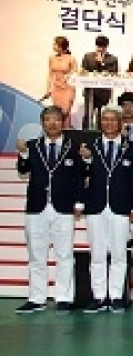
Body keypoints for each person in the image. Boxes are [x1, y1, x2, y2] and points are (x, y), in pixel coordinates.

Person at [15, 106, 84, 313]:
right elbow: (23, 170)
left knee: (64, 254)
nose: (52, 123)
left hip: (63, 207)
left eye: (56, 119)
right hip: (37, 206)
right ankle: (37, 298)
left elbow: (79, 176)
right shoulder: (32, 146)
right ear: (42, 123)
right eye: (48, 119)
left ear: (63, 122)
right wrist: (23, 154)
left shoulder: (73, 147)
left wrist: (79, 202)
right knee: (37, 255)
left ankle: (64, 297)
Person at [78, 106, 133, 313]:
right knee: (97, 254)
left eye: (113, 119)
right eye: (105, 119)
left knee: (118, 254)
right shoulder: (90, 147)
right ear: (100, 123)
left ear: (120, 123)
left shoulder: (131, 148)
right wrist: (86, 161)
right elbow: (80, 175)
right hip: (95, 206)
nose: (109, 123)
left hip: (121, 207)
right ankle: (98, 297)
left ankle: (116, 296)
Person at [80, 35, 120, 128]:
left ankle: (101, 132)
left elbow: (114, 73)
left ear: (107, 46)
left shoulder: (112, 58)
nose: (101, 49)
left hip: (104, 91)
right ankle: (85, 133)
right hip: (90, 90)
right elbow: (83, 71)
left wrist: (102, 63)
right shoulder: (88, 56)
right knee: (88, 114)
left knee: (102, 114)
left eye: (103, 47)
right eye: (99, 46)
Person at [46, 36, 78, 126]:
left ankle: (67, 132)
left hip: (68, 88)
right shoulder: (51, 58)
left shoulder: (71, 58)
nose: (53, 46)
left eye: (55, 44)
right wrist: (48, 89)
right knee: (57, 113)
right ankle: (58, 132)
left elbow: (76, 72)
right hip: (56, 88)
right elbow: (50, 74)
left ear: (61, 46)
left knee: (65, 112)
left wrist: (68, 76)